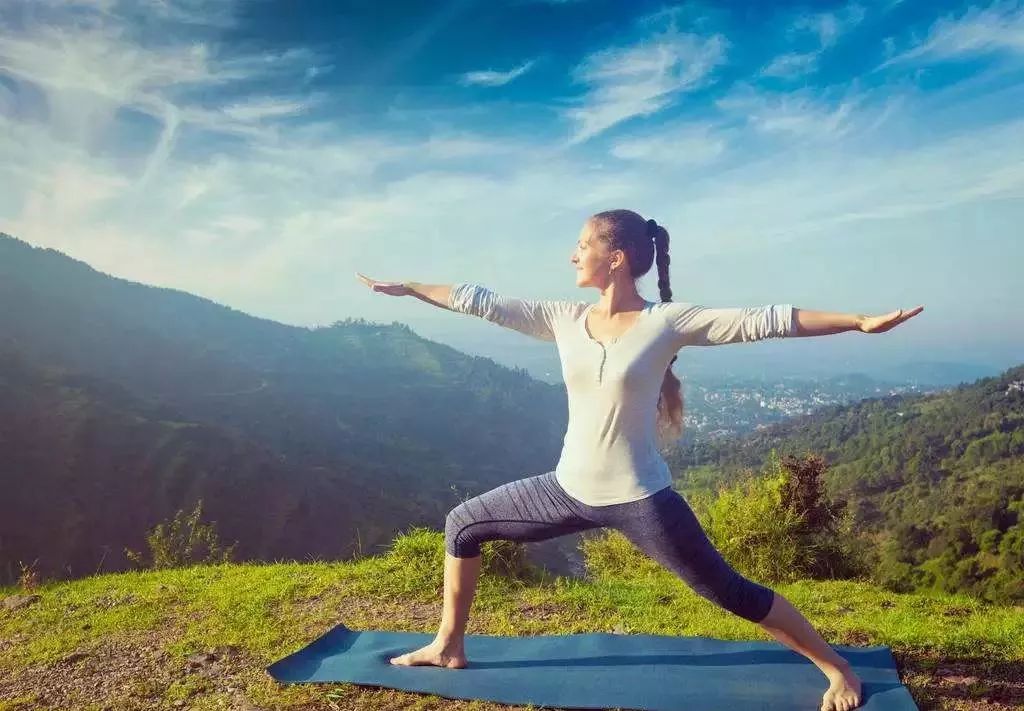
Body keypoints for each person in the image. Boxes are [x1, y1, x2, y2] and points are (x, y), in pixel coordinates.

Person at [356, 208, 923, 711]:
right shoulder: (562, 317)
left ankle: (837, 667)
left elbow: (765, 319)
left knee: (732, 593)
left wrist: (857, 321)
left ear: (616, 257)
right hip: (566, 488)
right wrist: (408, 288)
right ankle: (449, 645)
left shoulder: (665, 323)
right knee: (463, 524)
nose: (573, 254)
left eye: (583, 244)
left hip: (640, 499)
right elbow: (481, 301)